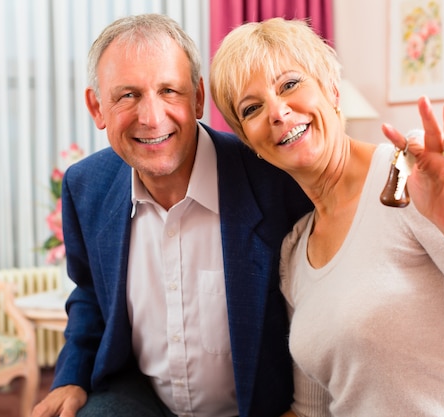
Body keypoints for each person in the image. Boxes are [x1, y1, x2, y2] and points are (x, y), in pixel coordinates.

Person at [210, 17, 444, 416]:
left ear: (333, 91)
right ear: (251, 143)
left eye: (290, 84)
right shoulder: (295, 251)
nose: (278, 112)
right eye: (253, 108)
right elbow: (312, 409)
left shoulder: (414, 177)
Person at [31, 14, 313, 417]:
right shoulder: (86, 186)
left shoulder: (272, 177)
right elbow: (91, 294)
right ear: (97, 107)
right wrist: (71, 376)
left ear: (198, 97)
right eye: (127, 95)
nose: (151, 117)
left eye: (169, 90)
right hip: (143, 397)